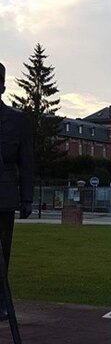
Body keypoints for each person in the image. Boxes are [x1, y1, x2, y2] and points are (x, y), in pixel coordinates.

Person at [0, 62, 33, 275]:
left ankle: (2, 304)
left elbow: (26, 161)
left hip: (4, 197)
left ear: (3, 87)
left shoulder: (17, 120)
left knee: (2, 255)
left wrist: (26, 199)